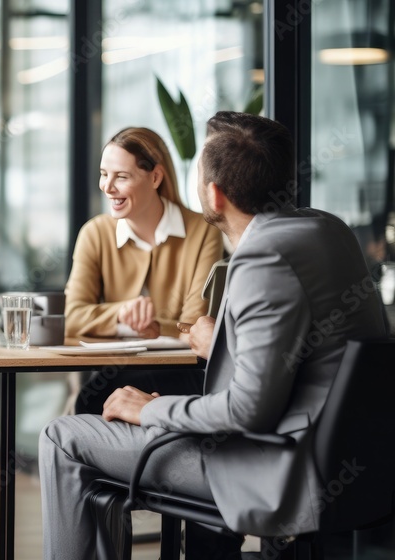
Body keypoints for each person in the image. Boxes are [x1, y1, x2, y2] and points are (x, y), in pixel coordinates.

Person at [39, 111, 389, 560]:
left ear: (214, 194)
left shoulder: (262, 258)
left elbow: (247, 411)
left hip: (271, 469)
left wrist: (152, 408)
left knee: (60, 436)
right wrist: (221, 342)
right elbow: (298, 353)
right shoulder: (330, 230)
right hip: (353, 464)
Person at [66, 127, 223, 414]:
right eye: (104, 174)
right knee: (92, 396)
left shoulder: (203, 231)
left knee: (91, 398)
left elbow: (194, 326)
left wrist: (154, 326)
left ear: (155, 177)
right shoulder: (95, 233)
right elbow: (72, 316)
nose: (107, 187)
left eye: (121, 177)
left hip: (183, 372)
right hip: (117, 369)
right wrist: (122, 313)